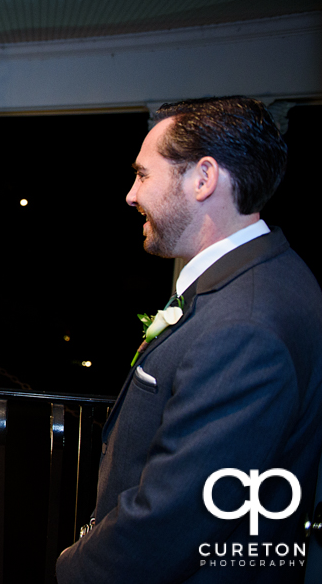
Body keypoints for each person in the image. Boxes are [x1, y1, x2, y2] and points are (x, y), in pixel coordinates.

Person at [56, 97, 322, 583]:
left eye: (143, 174)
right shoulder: (270, 273)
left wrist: (73, 567)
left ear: (203, 178)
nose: (131, 195)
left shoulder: (244, 327)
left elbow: (172, 521)